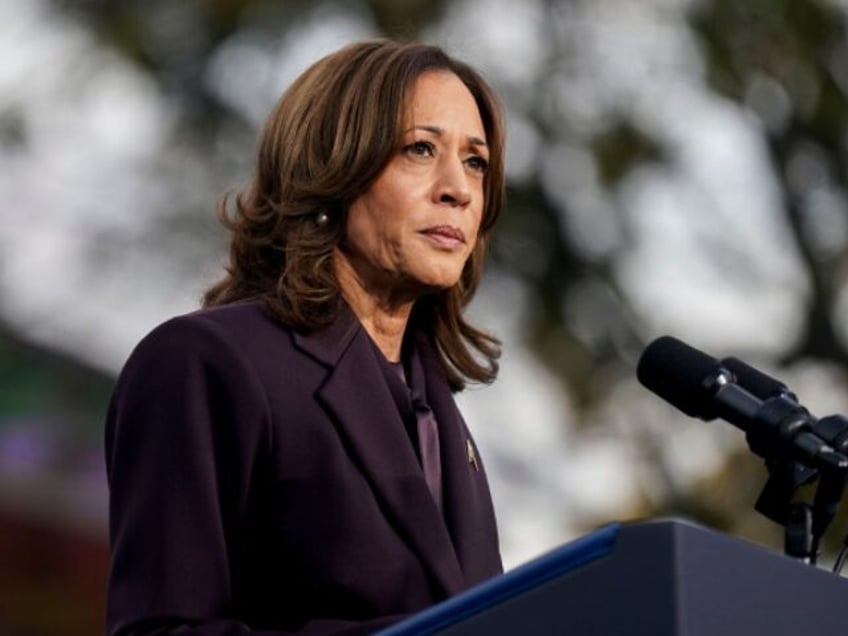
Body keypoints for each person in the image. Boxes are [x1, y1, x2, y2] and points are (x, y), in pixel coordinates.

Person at [105, 38, 506, 635]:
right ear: (332, 169)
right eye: (420, 149)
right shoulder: (205, 365)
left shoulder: (442, 421)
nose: (460, 189)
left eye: (475, 161)